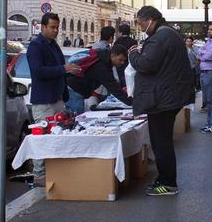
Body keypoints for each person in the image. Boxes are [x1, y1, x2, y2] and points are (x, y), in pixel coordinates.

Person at [129, 6, 193, 196]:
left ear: (151, 19)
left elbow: (146, 64)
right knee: (161, 141)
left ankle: (168, 183)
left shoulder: (160, 37)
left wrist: (133, 53)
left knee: (161, 142)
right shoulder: (168, 34)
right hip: (168, 96)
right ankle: (163, 178)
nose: (141, 28)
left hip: (162, 99)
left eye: (141, 23)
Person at [26, 13, 79, 185]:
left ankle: (53, 174)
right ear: (43, 27)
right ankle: (39, 175)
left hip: (57, 99)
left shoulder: (54, 45)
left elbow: (59, 69)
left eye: (57, 27)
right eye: (52, 27)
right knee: (42, 138)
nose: (56, 30)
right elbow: (38, 71)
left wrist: (68, 71)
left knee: (56, 137)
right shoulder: (35, 46)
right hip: (43, 101)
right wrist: (63, 69)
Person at [66, 44, 133, 108]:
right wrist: (133, 102)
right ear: (113, 55)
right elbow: (114, 88)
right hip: (75, 90)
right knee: (76, 115)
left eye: (124, 61)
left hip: (76, 88)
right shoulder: (102, 66)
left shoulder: (102, 56)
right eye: (120, 60)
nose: (122, 63)